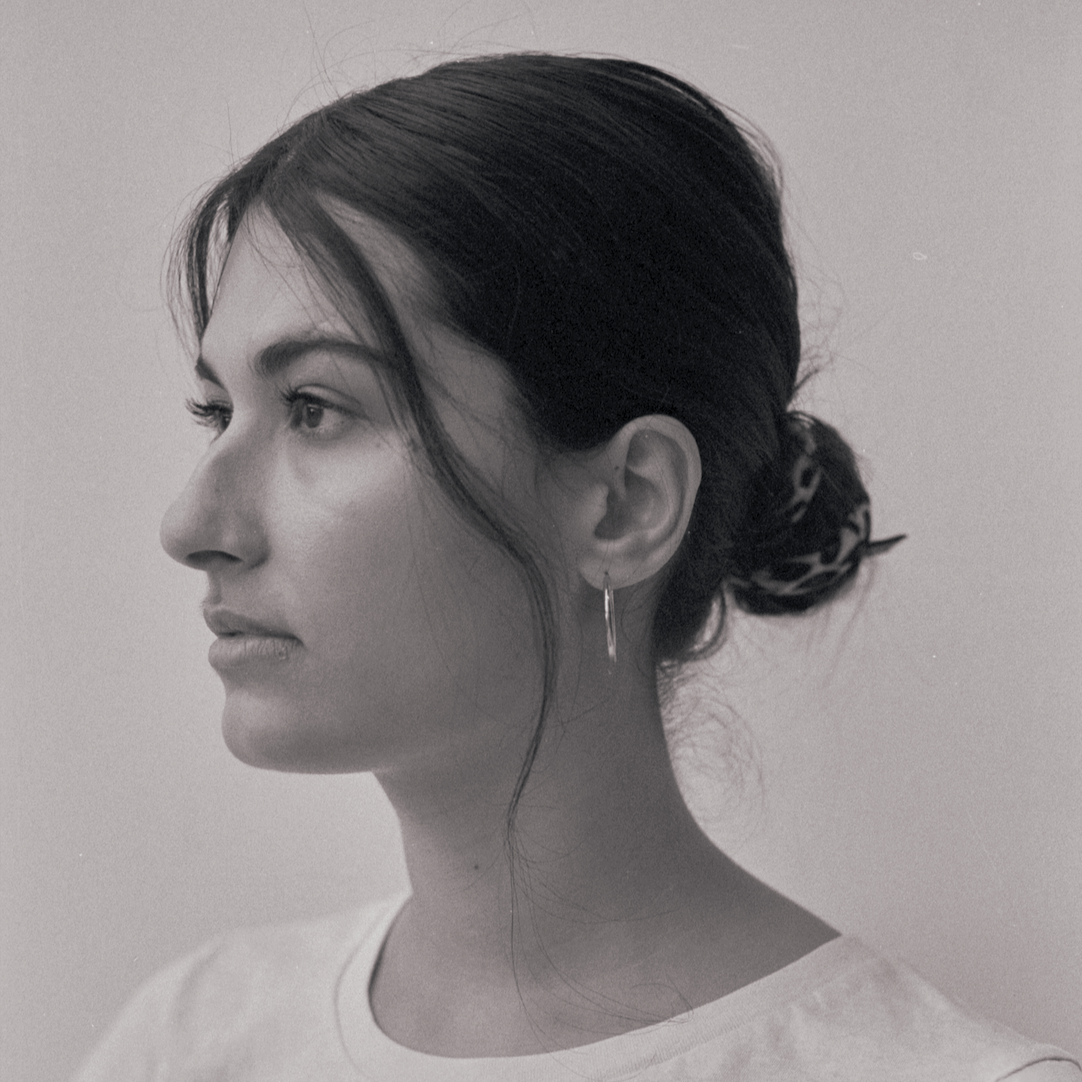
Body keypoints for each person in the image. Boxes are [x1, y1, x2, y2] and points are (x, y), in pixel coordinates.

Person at [74, 54, 1077, 1081]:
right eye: (216, 412)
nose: (190, 523)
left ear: (627, 502)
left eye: (315, 409)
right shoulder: (189, 1040)